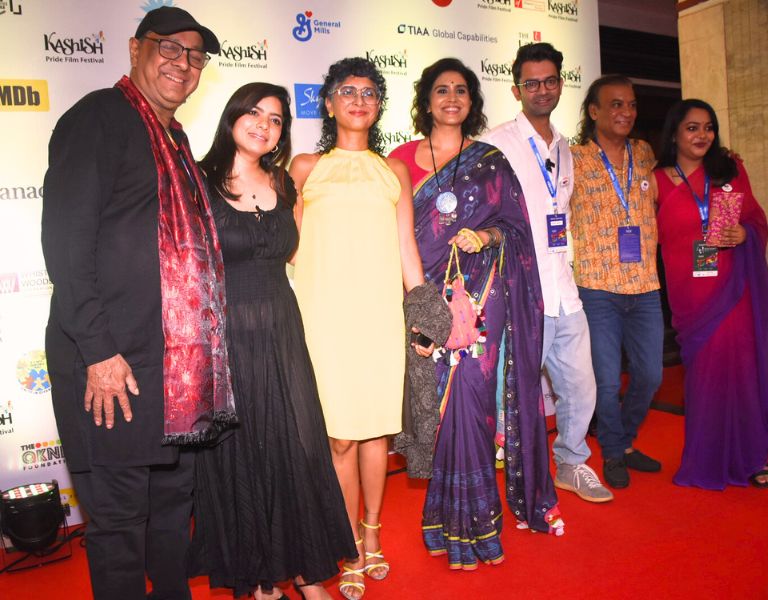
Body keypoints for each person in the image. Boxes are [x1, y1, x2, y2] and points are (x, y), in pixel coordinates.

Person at [41, 7, 231, 599]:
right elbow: (66, 245)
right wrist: (99, 352)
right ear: (134, 49)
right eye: (168, 48)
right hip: (112, 365)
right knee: (120, 520)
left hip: (174, 369)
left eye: (195, 55)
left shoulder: (175, 138)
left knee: (173, 509)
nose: (183, 63)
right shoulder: (99, 117)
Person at [389, 57, 562, 571]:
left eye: (461, 90)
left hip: (483, 300)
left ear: (472, 101)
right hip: (425, 299)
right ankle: (442, 522)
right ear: (426, 101)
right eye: (441, 90)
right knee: (439, 414)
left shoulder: (491, 161)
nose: (452, 98)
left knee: (473, 403)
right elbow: (388, 235)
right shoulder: (400, 160)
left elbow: (518, 229)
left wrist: (486, 235)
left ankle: (478, 526)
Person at [189, 83, 356, 600]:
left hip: (283, 329)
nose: (265, 124)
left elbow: (298, 254)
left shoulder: (284, 183)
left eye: (277, 119)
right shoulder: (198, 180)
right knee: (244, 453)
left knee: (298, 446)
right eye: (255, 113)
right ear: (232, 117)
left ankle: (306, 572)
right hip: (226, 335)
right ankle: (261, 579)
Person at [289, 57, 429, 600]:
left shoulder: (393, 172)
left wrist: (424, 314)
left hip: (378, 315)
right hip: (322, 316)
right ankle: (347, 542)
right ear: (328, 104)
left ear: (379, 106)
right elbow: (289, 249)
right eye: (347, 91)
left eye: (369, 92)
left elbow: (407, 248)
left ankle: (371, 533)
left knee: (376, 432)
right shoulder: (305, 168)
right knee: (339, 436)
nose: (358, 100)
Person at [483, 43, 613, 503]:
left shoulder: (564, 147)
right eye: (532, 83)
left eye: (550, 81)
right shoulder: (495, 144)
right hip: (521, 292)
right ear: (516, 90)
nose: (542, 90)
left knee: (581, 386)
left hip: (564, 289)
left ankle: (571, 463)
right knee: (512, 394)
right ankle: (506, 476)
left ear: (561, 83)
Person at [653, 99, 768, 490]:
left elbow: (754, 218)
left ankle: (751, 458)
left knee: (741, 370)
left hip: (733, 289)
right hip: (690, 294)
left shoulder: (728, 170)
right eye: (692, 127)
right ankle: (706, 458)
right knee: (704, 376)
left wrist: (745, 233)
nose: (702, 135)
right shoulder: (655, 181)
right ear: (675, 133)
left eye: (708, 127)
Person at [570, 75, 663, 490]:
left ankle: (623, 439)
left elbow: (680, 176)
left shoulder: (644, 154)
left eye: (631, 104)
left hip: (645, 286)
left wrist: (722, 163)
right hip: (597, 287)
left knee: (651, 376)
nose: (626, 112)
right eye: (615, 104)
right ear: (594, 111)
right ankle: (612, 450)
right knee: (607, 382)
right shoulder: (573, 159)